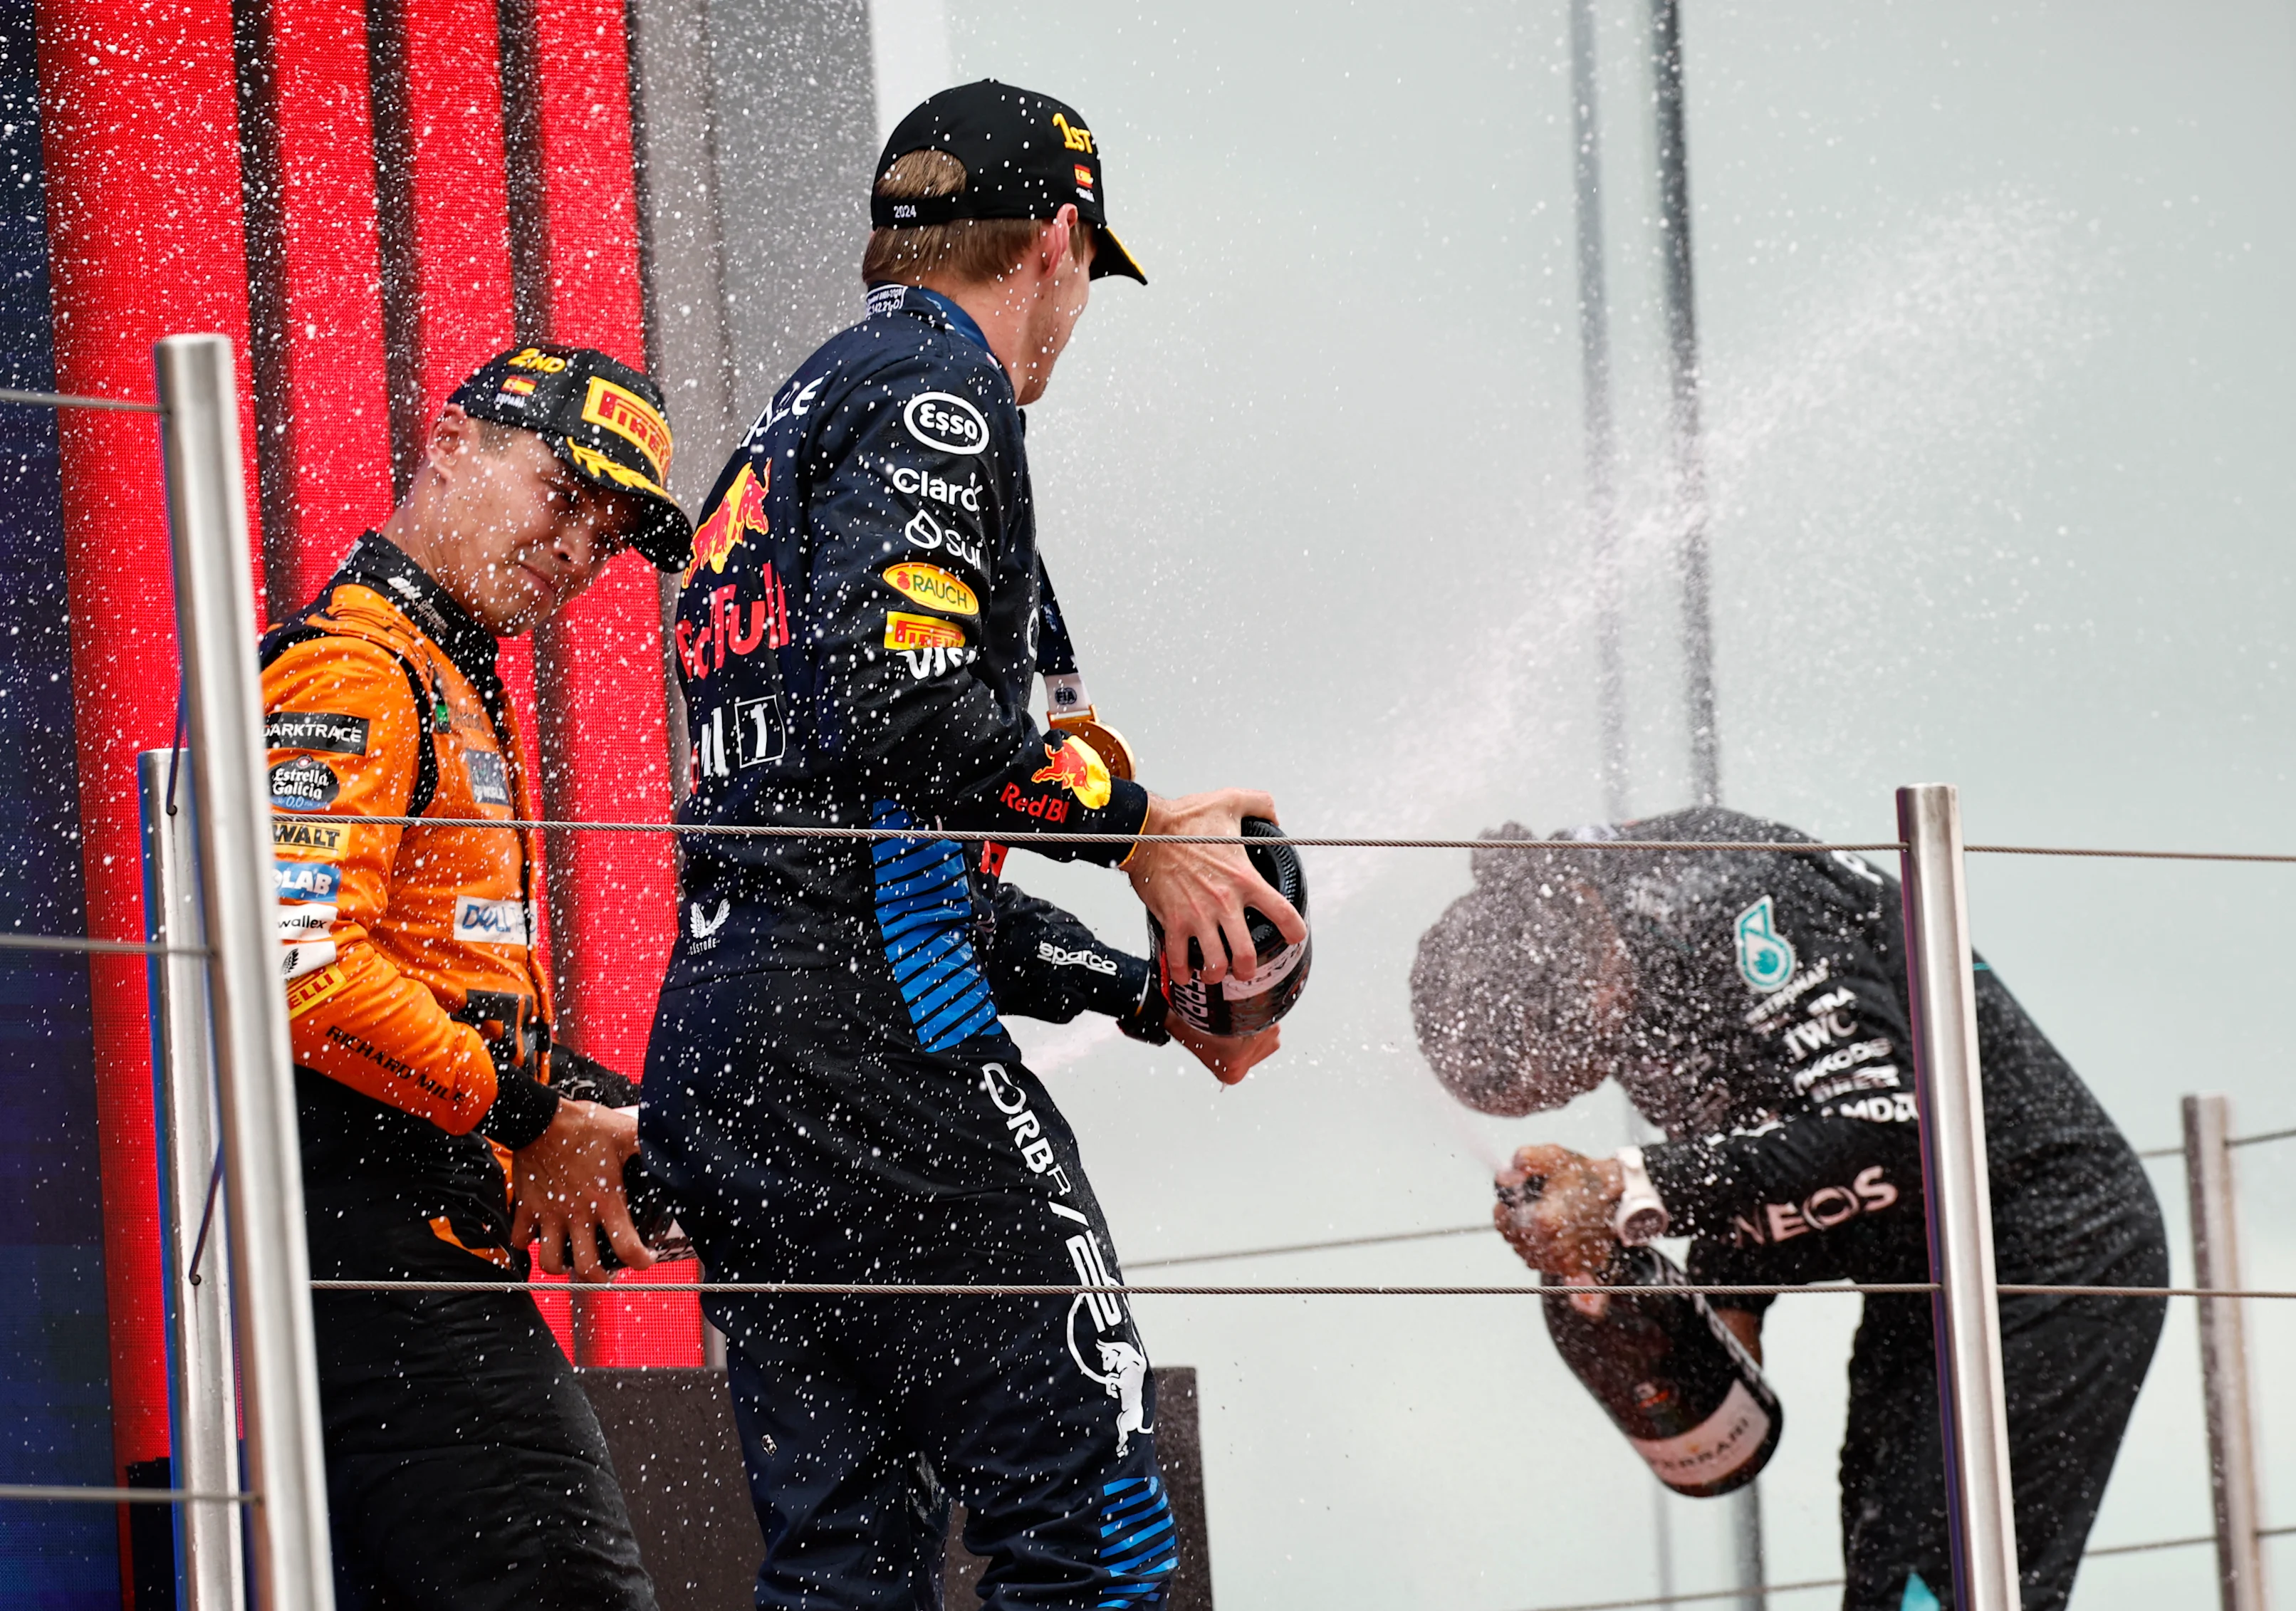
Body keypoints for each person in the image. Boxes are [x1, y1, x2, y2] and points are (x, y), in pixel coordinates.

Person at [641, 80, 1302, 1611]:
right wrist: (1139, 836)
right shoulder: (937, 392)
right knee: (1093, 1500)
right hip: (877, 1048)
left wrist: (1141, 996)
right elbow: (902, 708)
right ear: (1058, 242)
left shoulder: (792, 421)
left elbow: (855, 835)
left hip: (738, 1048)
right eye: (1085, 275)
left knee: (843, 1563)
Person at [1409, 808, 2166, 1611]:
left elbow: (1887, 1135)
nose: (1586, 1085)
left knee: (1936, 1593)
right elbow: (1756, 1136)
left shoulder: (1737, 900)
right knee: (1888, 1587)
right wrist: (1713, 1313)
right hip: (1926, 1268)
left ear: (1587, 989)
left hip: (2044, 1246)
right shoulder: (1612, 929)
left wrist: (1625, 1188)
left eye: (1574, 1072)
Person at [261, 343, 692, 1609]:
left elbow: (453, 1001)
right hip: (379, 1276)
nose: (574, 552)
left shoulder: (444, 676)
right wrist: (529, 1114)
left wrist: (628, 1131)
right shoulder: (356, 668)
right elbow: (304, 974)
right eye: (565, 495)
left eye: (605, 538)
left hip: (419, 1260)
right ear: (452, 441)